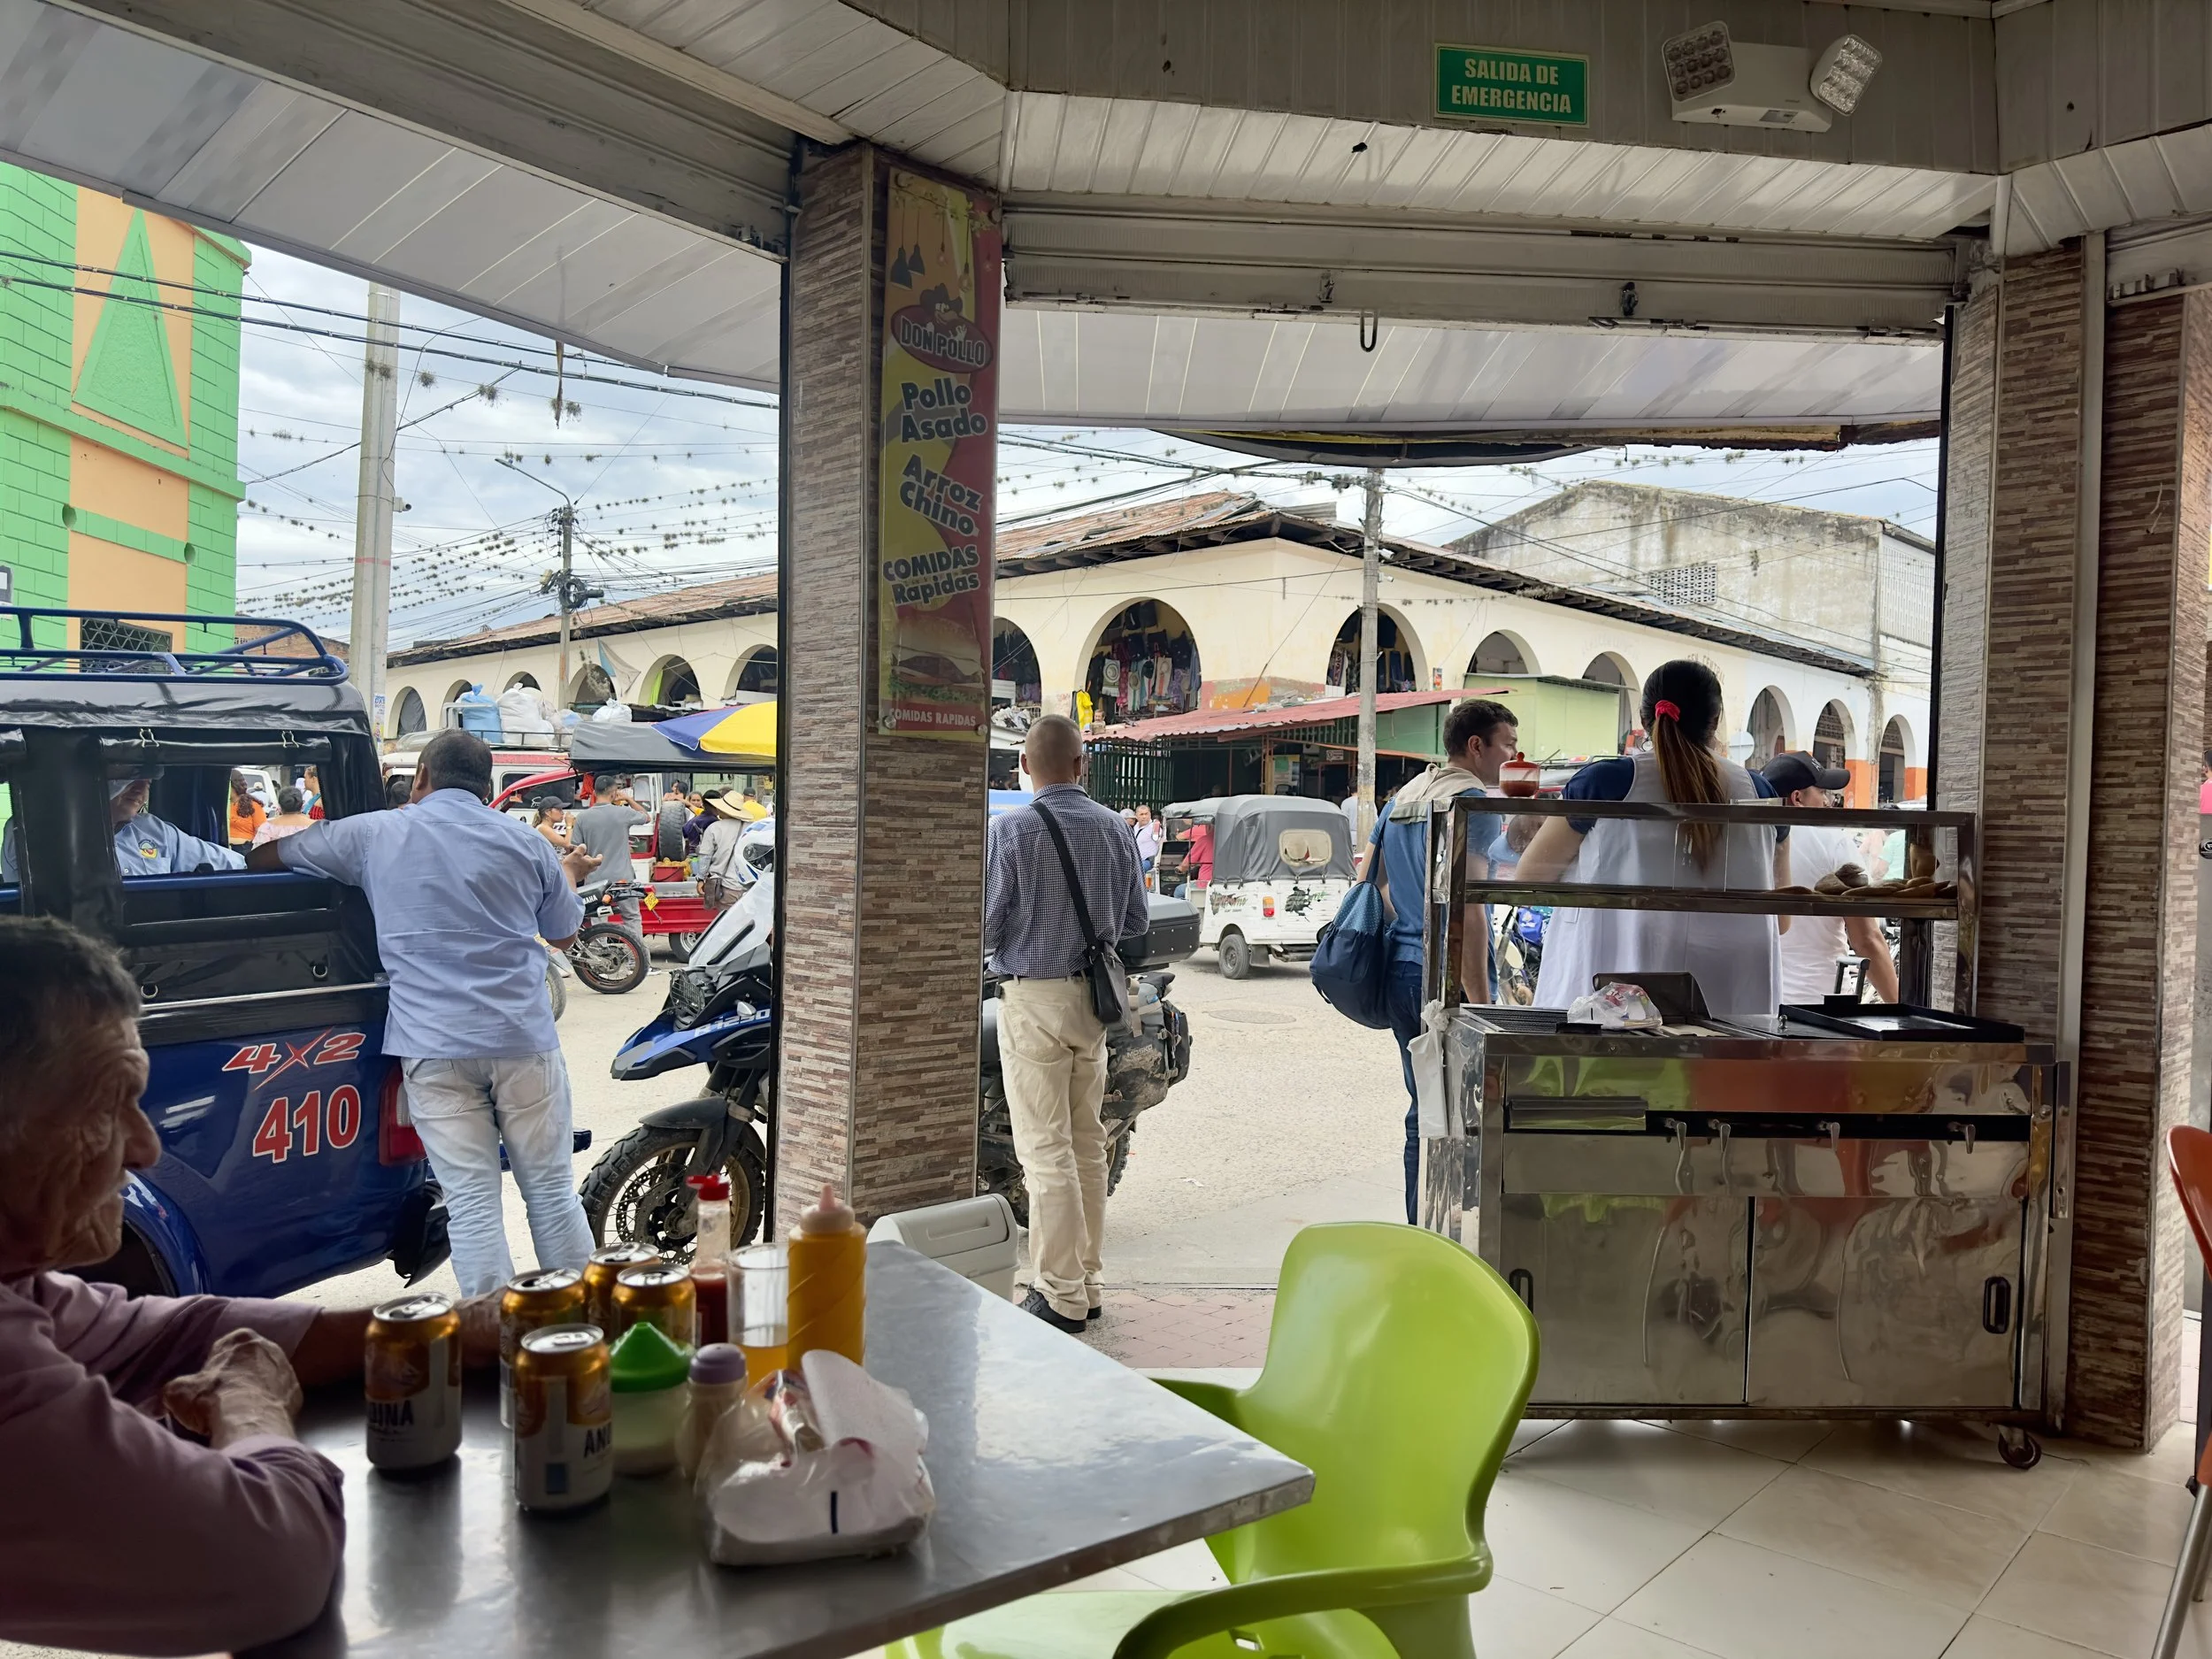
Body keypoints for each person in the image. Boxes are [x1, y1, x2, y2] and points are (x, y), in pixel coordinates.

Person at [0, 915, 500, 1653]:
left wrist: (460, 1328)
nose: (144, 1146)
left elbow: (167, 1333)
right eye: (108, 1102)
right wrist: (250, 1405)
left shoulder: (19, 1285)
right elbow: (268, 1564)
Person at [249, 731, 603, 1296]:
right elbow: (563, 934)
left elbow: (268, 856)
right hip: (522, 1041)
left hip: (433, 1048)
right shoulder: (527, 842)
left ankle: (496, 1344)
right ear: (488, 787)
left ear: (421, 779)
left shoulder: (372, 833)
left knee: (471, 1202)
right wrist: (568, 877)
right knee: (552, 1192)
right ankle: (585, 1333)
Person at [984, 714, 1149, 1335]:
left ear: (1025, 767)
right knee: (1087, 1145)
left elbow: (988, 927)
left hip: (1035, 1000)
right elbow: (1135, 921)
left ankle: (1058, 1294)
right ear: (1081, 765)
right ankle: (1089, 1280)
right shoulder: (1116, 829)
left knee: (1045, 1150)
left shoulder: (1013, 831)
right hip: (1095, 1004)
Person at [1520, 660, 1790, 1020]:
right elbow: (1783, 919)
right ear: (1715, 720)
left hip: (1615, 1006)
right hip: (1734, 1007)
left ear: (1645, 717)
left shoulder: (1605, 784)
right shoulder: (1760, 793)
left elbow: (1529, 880)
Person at [1368, 699, 1517, 1223]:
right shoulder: (1472, 801)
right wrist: (1482, 1002)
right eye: (1507, 745)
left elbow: (1375, 887)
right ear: (1476, 746)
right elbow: (1470, 909)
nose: (1514, 757)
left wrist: (1411, 923)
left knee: (1422, 1110)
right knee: (1467, 1116)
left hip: (1401, 973)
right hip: (1446, 978)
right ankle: (1461, 1235)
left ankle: (1420, 1227)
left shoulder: (1404, 795)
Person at [1763, 752, 1900, 1005]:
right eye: (1821, 792)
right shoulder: (1834, 843)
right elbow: (1866, 940)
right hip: (1820, 1002)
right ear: (1798, 798)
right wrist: (1899, 1008)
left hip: (1759, 1002)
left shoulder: (1752, 842)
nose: (1827, 801)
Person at [3, 776, 243, 881]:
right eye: (129, 779)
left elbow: (233, 865)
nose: (140, 790)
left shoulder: (152, 830)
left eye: (146, 782)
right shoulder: (34, 827)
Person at [568, 773, 649, 938]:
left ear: (594, 792)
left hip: (595, 879)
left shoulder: (582, 818)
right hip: (622, 879)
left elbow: (575, 848)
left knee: (599, 920)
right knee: (632, 917)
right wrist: (629, 799)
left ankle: (600, 959)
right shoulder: (623, 813)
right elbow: (646, 816)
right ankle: (640, 958)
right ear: (613, 793)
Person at [695, 792, 751, 907]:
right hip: (749, 888)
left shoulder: (714, 828)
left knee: (727, 922)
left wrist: (700, 879)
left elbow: (705, 857)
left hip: (725, 887)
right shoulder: (751, 828)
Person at [251, 787, 316, 846]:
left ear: (280, 805)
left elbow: (259, 853)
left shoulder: (267, 828)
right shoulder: (315, 826)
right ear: (302, 804)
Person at [227, 771, 266, 852]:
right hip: (224, 848)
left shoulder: (253, 806)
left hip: (244, 850)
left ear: (235, 786)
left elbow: (261, 832)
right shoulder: (222, 805)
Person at [1133, 803, 1161, 887]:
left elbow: (1160, 838)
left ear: (1150, 814)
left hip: (1149, 861)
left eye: (1146, 814)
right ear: (1136, 816)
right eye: (1141, 814)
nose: (1144, 816)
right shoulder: (1136, 827)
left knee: (1135, 871)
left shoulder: (1155, 826)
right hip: (1136, 860)